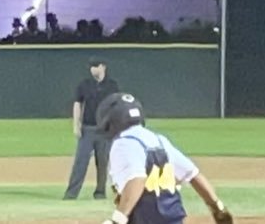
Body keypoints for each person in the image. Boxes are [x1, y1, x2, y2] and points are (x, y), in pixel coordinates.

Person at [94, 92, 234, 224]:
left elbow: (137, 179)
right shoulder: (159, 140)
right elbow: (192, 174)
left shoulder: (123, 143)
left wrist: (118, 219)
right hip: (172, 218)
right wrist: (217, 207)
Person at [65, 59, 119, 200]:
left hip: (105, 130)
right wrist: (76, 125)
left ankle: (100, 193)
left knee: (102, 162)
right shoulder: (85, 85)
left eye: (96, 66)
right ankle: (71, 194)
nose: (93, 69)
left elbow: (116, 107)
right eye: (91, 67)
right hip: (87, 129)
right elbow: (77, 104)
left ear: (103, 67)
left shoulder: (112, 86)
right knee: (80, 162)